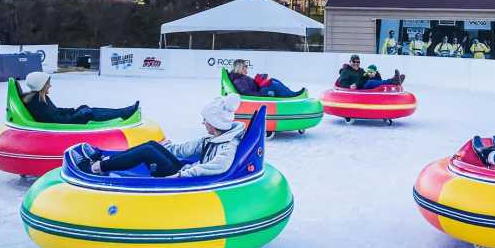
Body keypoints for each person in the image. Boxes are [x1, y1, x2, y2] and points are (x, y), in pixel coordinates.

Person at [74, 94, 244, 178]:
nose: (203, 123)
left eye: (205, 120)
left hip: (184, 181)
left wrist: (180, 176)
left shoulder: (228, 146)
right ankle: (103, 160)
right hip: (183, 172)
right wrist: (166, 146)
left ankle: (96, 168)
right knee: (152, 145)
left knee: (148, 151)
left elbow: (216, 168)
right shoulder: (211, 139)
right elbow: (183, 150)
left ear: (214, 123)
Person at [23, 71, 139, 125]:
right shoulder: (38, 102)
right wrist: (76, 116)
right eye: (47, 83)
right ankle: (124, 113)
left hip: (66, 119)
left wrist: (74, 110)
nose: (50, 85)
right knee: (90, 113)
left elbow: (56, 111)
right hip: (65, 125)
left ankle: (123, 111)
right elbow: (56, 121)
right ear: (41, 85)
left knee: (88, 109)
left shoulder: (40, 98)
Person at [229, 59, 304, 98]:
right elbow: (247, 93)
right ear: (240, 67)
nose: (247, 68)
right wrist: (265, 93)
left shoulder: (241, 77)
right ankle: (291, 96)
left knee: (273, 80)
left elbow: (251, 84)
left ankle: (291, 93)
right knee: (274, 85)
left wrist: (260, 79)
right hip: (259, 92)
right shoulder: (238, 80)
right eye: (245, 66)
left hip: (259, 88)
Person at [337, 55, 405, 90]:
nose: (356, 63)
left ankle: (393, 80)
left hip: (363, 84)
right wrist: (349, 86)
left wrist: (374, 74)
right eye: (354, 61)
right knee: (370, 82)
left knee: (373, 79)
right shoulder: (345, 71)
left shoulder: (361, 70)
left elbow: (366, 77)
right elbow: (341, 83)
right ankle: (393, 81)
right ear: (350, 62)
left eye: (358, 62)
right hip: (359, 88)